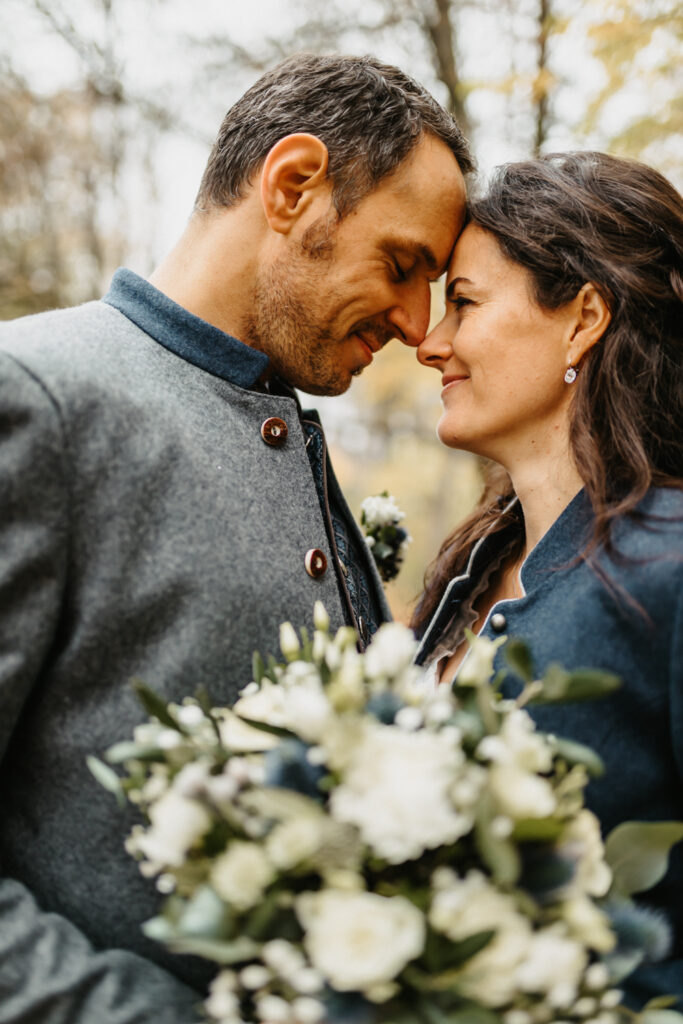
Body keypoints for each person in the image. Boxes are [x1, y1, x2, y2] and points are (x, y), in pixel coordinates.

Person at [0, 54, 470, 1023]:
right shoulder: (36, 396)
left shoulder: (284, 419)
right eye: (400, 265)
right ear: (293, 186)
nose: (417, 325)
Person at [412, 151, 683, 1008]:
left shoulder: (669, 563)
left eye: (463, 302)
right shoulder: (468, 575)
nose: (430, 343)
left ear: (582, 318)